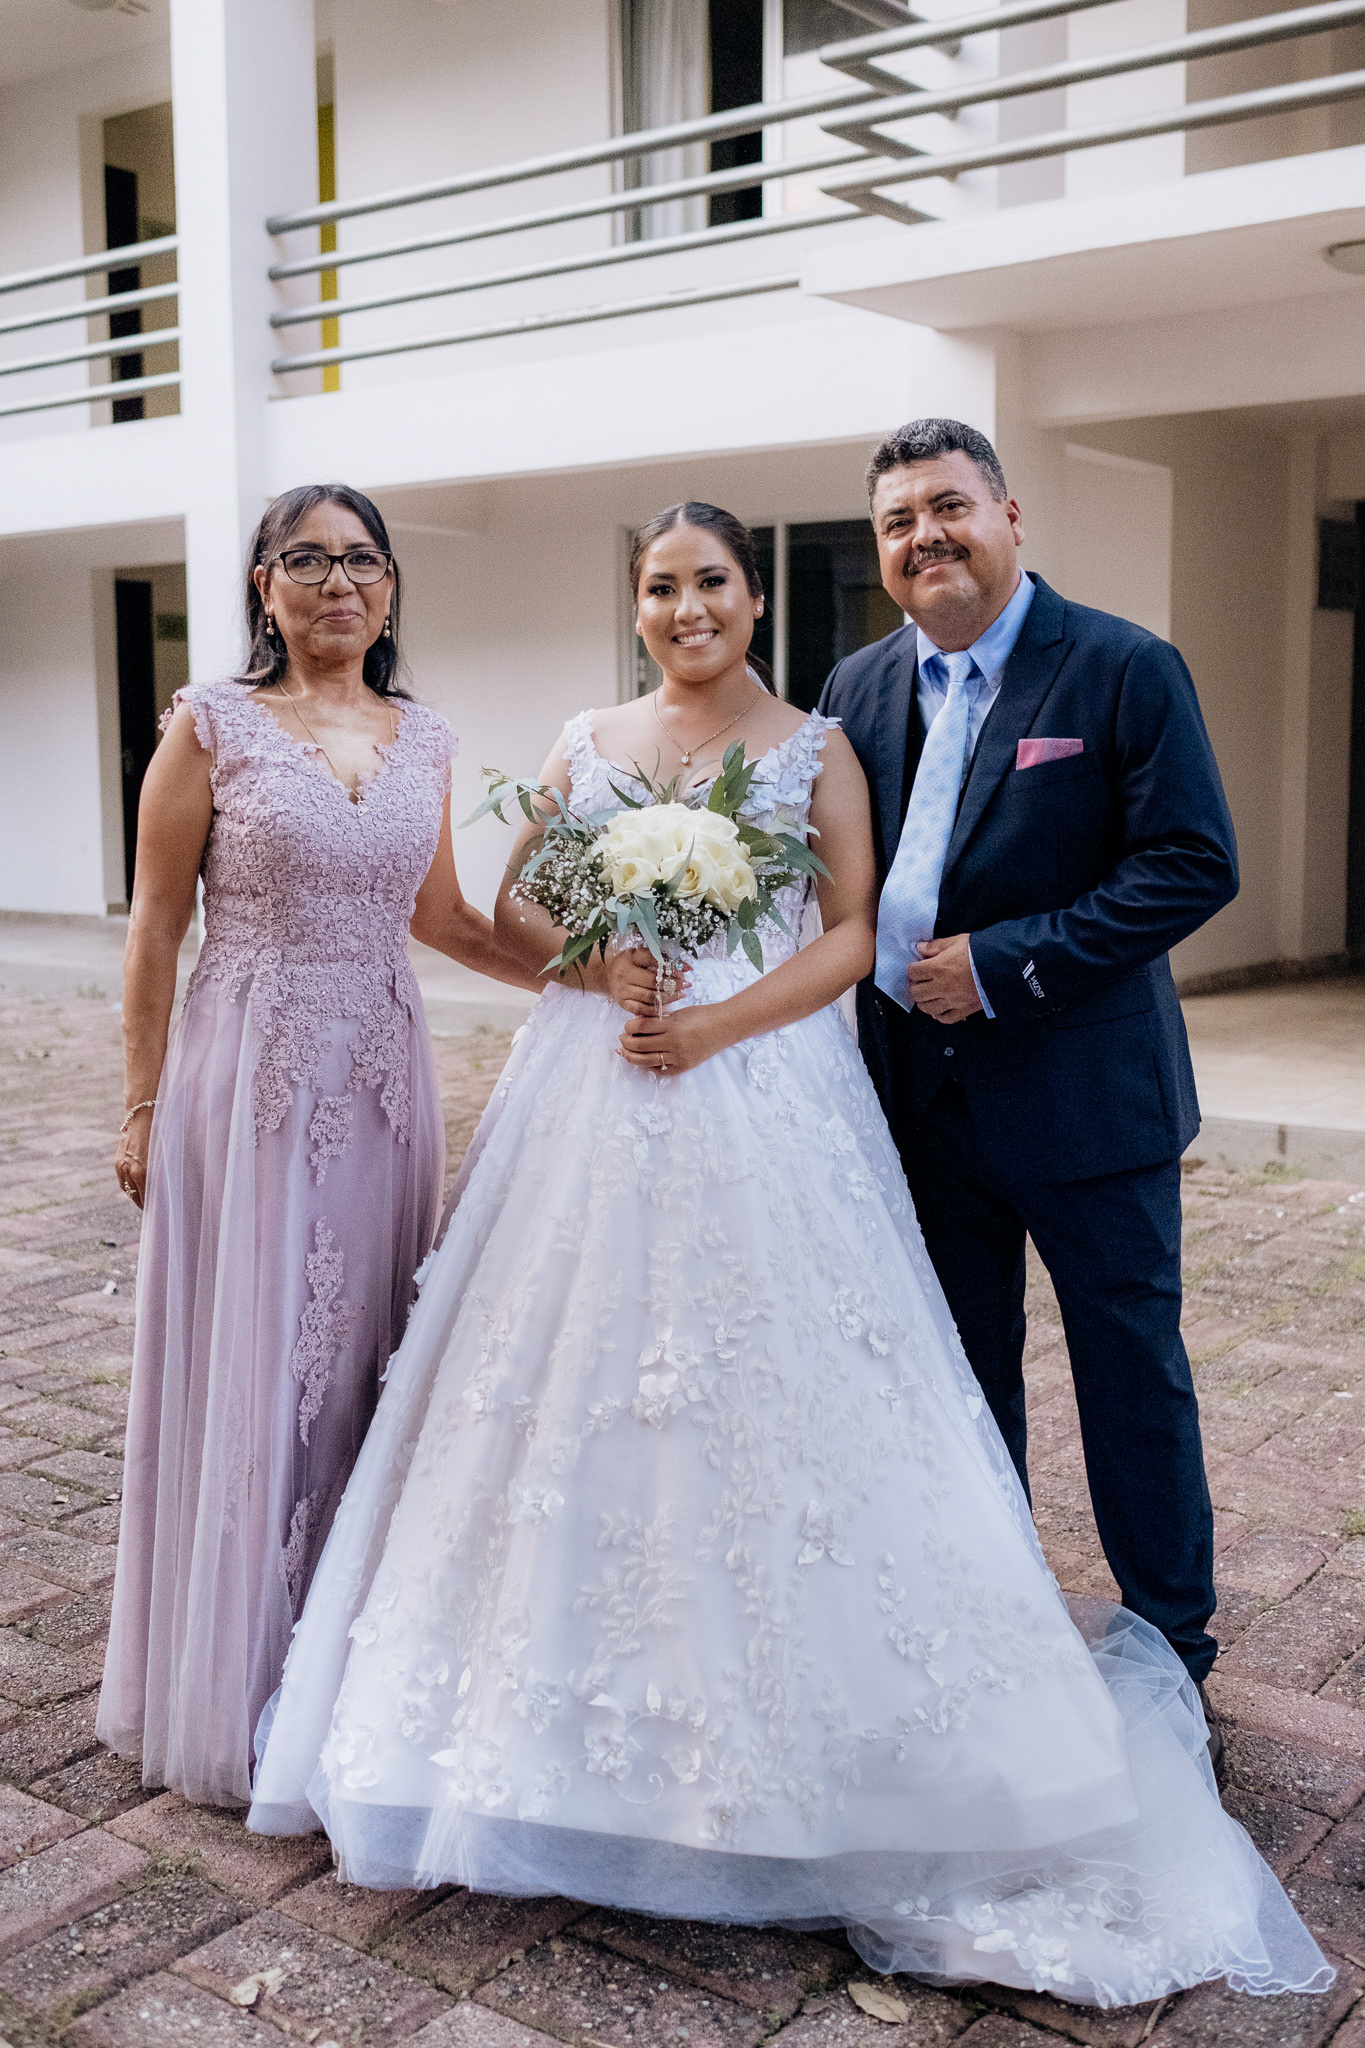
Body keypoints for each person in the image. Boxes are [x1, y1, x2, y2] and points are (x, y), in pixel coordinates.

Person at [247, 501, 1325, 2007]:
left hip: (763, 1090)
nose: (685, 608)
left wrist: (713, 1026)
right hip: (594, 1099)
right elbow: (519, 908)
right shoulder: (587, 737)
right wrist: (601, 964)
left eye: (711, 583)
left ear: (754, 600)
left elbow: (845, 933)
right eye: (659, 586)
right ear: (636, 604)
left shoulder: (820, 741)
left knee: (831, 1382)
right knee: (568, 1383)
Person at [98, 483, 539, 1807]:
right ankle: (230, 1682)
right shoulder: (210, 725)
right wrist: (141, 1102)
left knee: (363, 1360)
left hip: (385, 1084)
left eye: (361, 561)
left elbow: (446, 921)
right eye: (307, 560)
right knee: (255, 1352)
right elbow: (155, 924)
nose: (337, 582)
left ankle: (343, 1673)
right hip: (247, 1078)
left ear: (390, 588)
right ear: (264, 586)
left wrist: (590, 979)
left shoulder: (426, 737)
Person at [819, 419, 1238, 1762]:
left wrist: (1006, 964)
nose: (924, 536)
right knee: (961, 1379)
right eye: (898, 521)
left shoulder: (1122, 666)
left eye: (948, 506)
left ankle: (1173, 1649)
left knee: (1130, 1380)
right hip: (920, 1107)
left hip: (1087, 1100)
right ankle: (993, 1619)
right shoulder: (855, 686)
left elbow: (1191, 862)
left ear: (1009, 516)